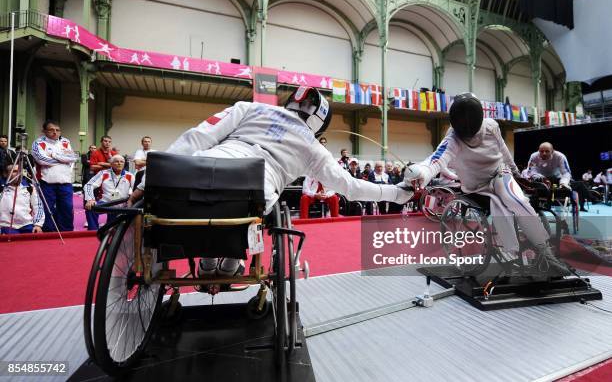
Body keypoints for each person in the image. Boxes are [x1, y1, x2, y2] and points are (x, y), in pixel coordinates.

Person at [128, 86, 412, 278]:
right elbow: (351, 187)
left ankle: (210, 259)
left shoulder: (249, 108)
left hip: (197, 174)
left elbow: (197, 137)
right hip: (251, 194)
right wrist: (398, 194)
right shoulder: (313, 147)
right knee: (257, 206)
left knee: (201, 196)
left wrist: (151, 178)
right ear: (318, 121)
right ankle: (229, 260)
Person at [404, 92, 569, 275]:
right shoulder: (452, 139)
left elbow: (503, 150)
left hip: (499, 174)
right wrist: (423, 172)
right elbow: (437, 160)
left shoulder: (491, 126)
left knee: (516, 199)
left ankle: (546, 253)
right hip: (475, 186)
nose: (467, 123)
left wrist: (515, 172)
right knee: (502, 209)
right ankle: (511, 253)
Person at [31, 120, 78, 232]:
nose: (55, 132)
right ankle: (48, 232)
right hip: (47, 183)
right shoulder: (38, 143)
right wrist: (63, 159)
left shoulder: (65, 141)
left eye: (57, 130)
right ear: (44, 131)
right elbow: (42, 160)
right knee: (47, 209)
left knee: (67, 208)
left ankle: (66, 231)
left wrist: (53, 155)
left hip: (65, 182)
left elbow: (73, 158)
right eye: (51, 130)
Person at [525, 142, 590, 212]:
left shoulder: (560, 156)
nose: (544, 153)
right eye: (541, 151)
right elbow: (530, 171)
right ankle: (534, 209)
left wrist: (563, 183)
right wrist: (541, 178)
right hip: (542, 179)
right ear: (538, 151)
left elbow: (566, 173)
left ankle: (583, 205)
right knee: (534, 186)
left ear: (552, 151)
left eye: (547, 151)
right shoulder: (534, 156)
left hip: (557, 179)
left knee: (579, 185)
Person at [84, 155, 134, 230]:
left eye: (121, 162)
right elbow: (89, 185)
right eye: (116, 161)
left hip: (122, 205)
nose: (119, 163)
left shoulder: (130, 175)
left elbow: (136, 190)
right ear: (111, 164)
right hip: (106, 203)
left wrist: (131, 201)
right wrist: (90, 199)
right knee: (91, 209)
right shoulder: (103, 173)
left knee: (112, 229)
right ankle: (93, 232)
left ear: (124, 164)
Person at [0, 164, 44, 234]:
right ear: (6, 174)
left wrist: (38, 225)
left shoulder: (30, 188)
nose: (18, 174)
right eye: (14, 171)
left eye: (19, 171)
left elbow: (38, 207)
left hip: (27, 225)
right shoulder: (1, 190)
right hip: (7, 226)